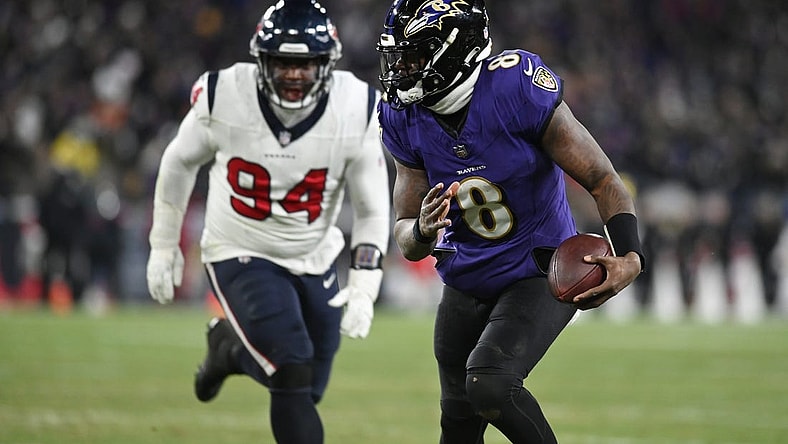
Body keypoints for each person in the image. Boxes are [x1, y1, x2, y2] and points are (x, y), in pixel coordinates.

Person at [376, 1, 645, 443]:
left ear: (454, 52)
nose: (403, 67)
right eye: (400, 55)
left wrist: (631, 255)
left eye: (416, 55)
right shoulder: (405, 117)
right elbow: (406, 234)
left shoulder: (514, 88)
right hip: (466, 275)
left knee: (490, 383)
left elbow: (601, 177)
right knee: (458, 426)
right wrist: (423, 230)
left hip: (537, 268)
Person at [145, 1, 390, 442]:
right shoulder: (226, 96)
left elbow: (373, 208)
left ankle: (230, 353)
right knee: (292, 368)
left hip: (314, 253)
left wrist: (365, 285)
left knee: (307, 387)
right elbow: (178, 163)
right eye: (283, 62)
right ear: (262, 60)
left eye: (306, 64)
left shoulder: (355, 106)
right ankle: (238, 352)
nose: (294, 74)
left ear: (327, 64)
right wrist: (164, 245)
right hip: (241, 248)